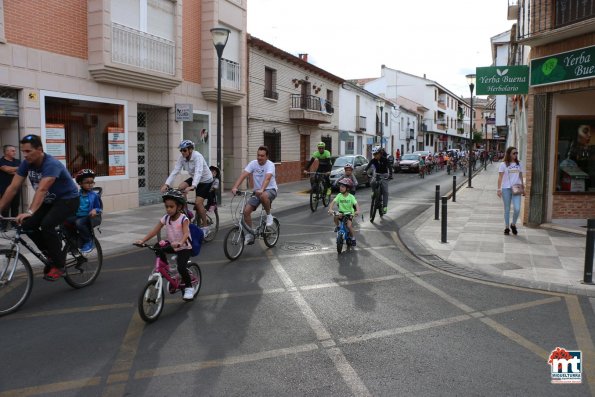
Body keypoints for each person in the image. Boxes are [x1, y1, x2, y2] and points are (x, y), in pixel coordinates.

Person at [0, 134, 79, 281]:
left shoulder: (51, 164)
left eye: (28, 151)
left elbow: (42, 189)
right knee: (28, 225)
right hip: (49, 201)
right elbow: (13, 187)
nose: (25, 155)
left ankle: (59, 265)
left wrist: (30, 211)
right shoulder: (26, 164)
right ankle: (51, 254)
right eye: (23, 151)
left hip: (68, 200)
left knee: (47, 225)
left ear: (40, 149)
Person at [135, 189, 195, 301]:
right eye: (166, 206)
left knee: (182, 267)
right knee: (158, 247)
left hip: (184, 247)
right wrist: (143, 240)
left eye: (171, 207)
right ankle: (167, 267)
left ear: (179, 207)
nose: (168, 209)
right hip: (172, 245)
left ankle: (189, 287)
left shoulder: (183, 219)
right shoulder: (166, 218)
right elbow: (155, 230)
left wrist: (181, 242)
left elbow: (186, 233)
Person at [161, 140, 213, 235]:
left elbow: (198, 172)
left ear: (190, 149)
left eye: (184, 150)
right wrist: (166, 184)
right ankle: (186, 211)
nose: (182, 152)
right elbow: (175, 171)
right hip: (194, 178)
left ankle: (206, 227)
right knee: (181, 187)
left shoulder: (198, 156)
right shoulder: (182, 158)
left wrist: (193, 186)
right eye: (181, 150)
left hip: (205, 180)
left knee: (198, 203)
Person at [231, 146, 278, 245]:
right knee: (246, 211)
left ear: (267, 157)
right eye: (258, 155)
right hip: (257, 192)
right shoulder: (253, 163)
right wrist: (235, 187)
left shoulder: (270, 165)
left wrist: (262, 189)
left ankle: (269, 215)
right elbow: (243, 175)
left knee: (263, 195)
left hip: (270, 190)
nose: (259, 157)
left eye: (262, 156)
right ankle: (250, 235)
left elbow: (267, 178)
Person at [68, 169, 102, 254]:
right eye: (87, 182)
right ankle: (73, 244)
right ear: (80, 183)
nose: (90, 184)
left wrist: (95, 210)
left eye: (92, 182)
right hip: (77, 215)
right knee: (64, 223)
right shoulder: (76, 194)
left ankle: (89, 241)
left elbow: (99, 208)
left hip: (88, 217)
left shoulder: (94, 195)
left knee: (79, 223)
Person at [497, 146, 525, 236]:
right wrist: (498, 189)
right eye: (514, 153)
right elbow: (500, 177)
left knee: (517, 209)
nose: (516, 154)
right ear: (509, 154)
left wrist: (523, 188)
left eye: (517, 153)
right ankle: (506, 227)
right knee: (507, 209)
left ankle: (513, 224)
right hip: (506, 189)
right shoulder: (503, 164)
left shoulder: (519, 164)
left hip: (516, 188)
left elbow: (520, 176)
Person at [328, 178, 360, 246]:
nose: (341, 188)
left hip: (349, 213)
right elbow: (333, 202)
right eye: (340, 186)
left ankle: (353, 238)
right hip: (341, 213)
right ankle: (338, 226)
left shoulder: (351, 197)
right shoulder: (339, 195)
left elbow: (356, 204)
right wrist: (330, 209)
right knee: (335, 217)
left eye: (343, 186)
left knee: (348, 226)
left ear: (347, 188)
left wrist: (357, 211)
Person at [365, 146, 391, 214]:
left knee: (385, 191)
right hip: (377, 174)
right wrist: (365, 171)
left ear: (380, 153)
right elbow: (368, 166)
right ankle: (373, 191)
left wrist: (390, 175)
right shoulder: (373, 160)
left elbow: (390, 167)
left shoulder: (385, 159)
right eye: (374, 154)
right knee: (372, 182)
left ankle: (385, 207)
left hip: (384, 175)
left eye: (376, 154)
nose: (375, 156)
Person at [0, 145, 21, 226]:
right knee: (5, 207)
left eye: (14, 150)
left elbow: (21, 172)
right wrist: (16, 169)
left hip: (16, 188)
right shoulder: (1, 161)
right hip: (4, 188)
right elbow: (6, 169)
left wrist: (10, 170)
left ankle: (14, 225)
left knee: (15, 206)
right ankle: (4, 225)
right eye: (12, 151)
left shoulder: (18, 161)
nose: (14, 152)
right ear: (6, 152)